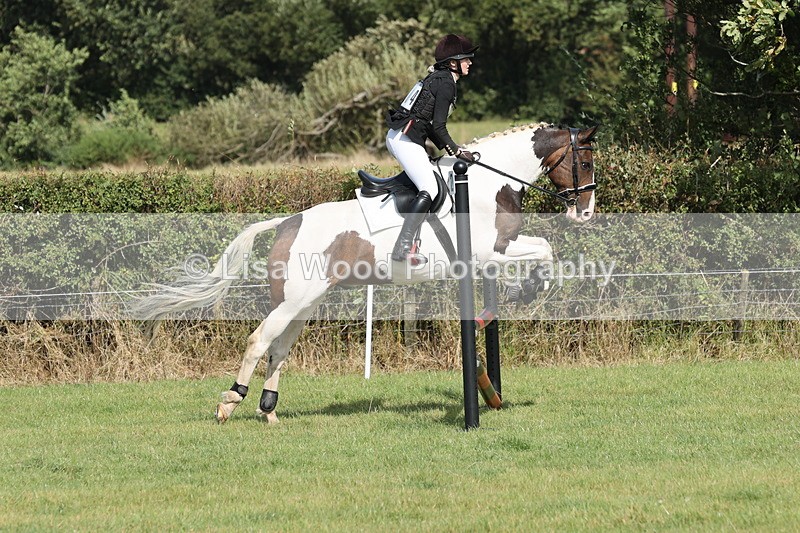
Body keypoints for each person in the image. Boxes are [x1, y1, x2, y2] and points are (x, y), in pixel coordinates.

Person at [385, 34, 478, 265]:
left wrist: (452, 149)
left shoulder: (439, 77)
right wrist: (456, 151)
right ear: (453, 62)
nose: (471, 63)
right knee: (430, 187)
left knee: (432, 183)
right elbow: (438, 125)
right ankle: (402, 247)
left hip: (405, 137)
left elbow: (431, 126)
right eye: (466, 59)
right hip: (403, 139)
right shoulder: (445, 82)